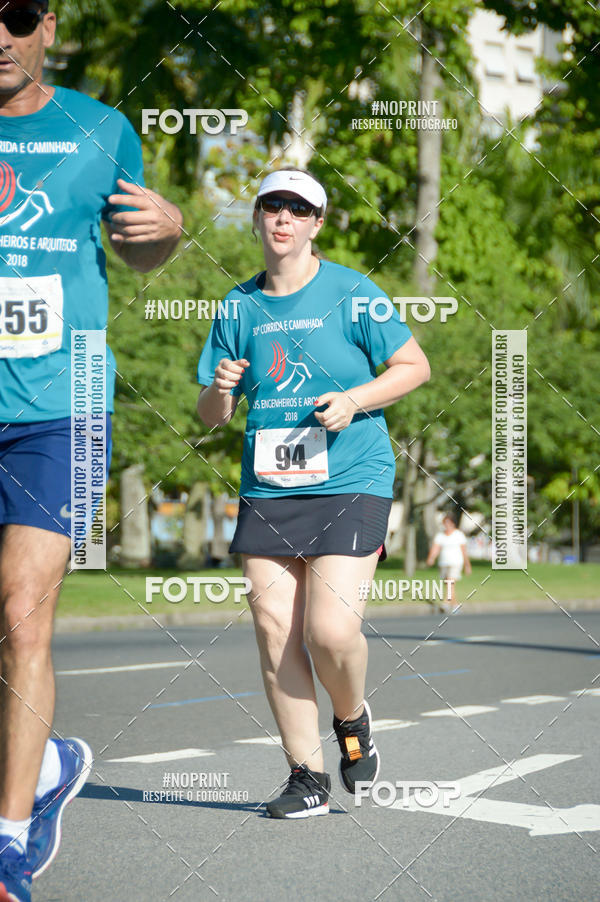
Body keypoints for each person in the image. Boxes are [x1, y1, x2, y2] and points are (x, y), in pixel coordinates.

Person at [0, 2, 183, 899]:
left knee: (22, 608)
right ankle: (43, 765)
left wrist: (170, 236)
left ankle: (5, 843)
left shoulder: (101, 128)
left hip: (63, 405)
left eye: (15, 14)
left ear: (47, 27)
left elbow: (136, 250)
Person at [196, 168, 430, 818]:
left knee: (329, 630)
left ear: (317, 223)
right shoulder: (237, 306)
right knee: (275, 630)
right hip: (270, 485)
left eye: (299, 208)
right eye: (272, 204)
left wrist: (355, 399)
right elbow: (210, 416)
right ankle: (307, 778)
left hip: (351, 477)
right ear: (257, 217)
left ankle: (351, 719)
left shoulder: (353, 292)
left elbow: (415, 366)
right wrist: (219, 388)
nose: (283, 217)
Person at [426, 513, 472, 613]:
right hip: (443, 563)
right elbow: (436, 548)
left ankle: (446, 603)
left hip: (456, 562)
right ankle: (455, 606)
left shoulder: (459, 535)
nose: (447, 525)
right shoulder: (440, 536)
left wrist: (467, 565)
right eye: (445, 523)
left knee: (450, 582)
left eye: (448, 523)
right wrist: (431, 558)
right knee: (448, 584)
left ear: (453, 523)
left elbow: (464, 551)